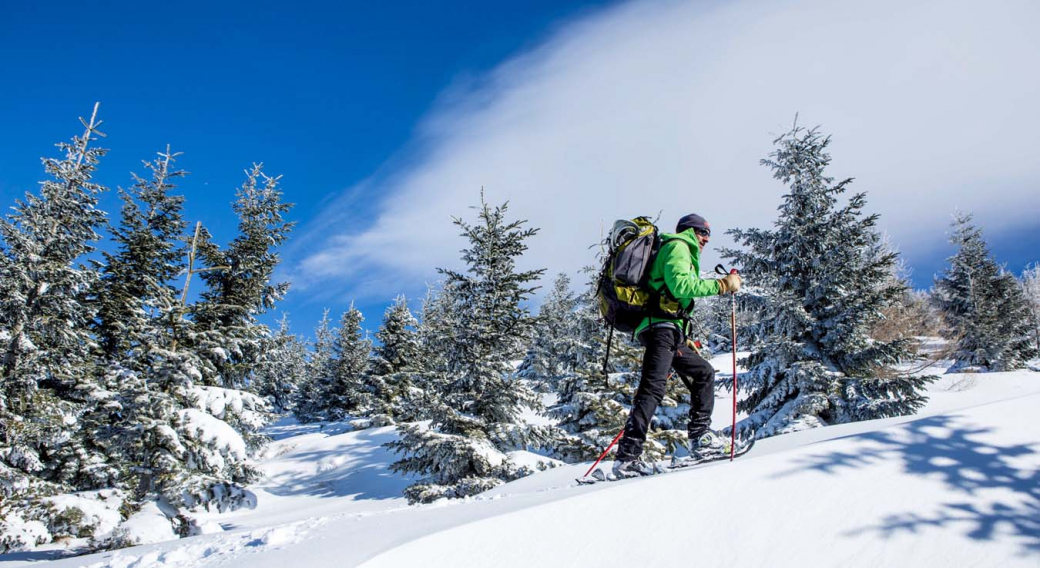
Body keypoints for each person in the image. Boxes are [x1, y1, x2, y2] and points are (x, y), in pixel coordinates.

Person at [612, 213, 742, 478]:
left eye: (708, 234)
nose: (706, 239)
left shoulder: (680, 249)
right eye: (703, 233)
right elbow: (680, 285)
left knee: (704, 372)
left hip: (668, 330)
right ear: (690, 231)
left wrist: (683, 336)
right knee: (653, 388)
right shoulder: (678, 246)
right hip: (660, 329)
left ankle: (699, 438)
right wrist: (722, 285)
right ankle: (627, 457)